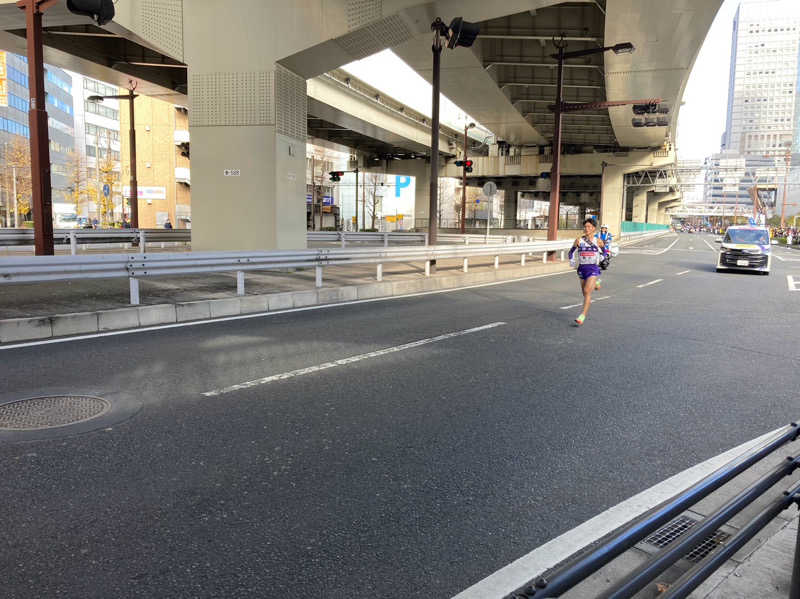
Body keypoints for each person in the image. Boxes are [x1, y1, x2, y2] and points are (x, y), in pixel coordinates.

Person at [568, 218, 605, 326]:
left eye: (589, 226)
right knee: (584, 293)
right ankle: (596, 284)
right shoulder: (579, 240)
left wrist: (602, 257)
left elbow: (605, 252)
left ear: (594, 228)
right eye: (585, 226)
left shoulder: (598, 241)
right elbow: (571, 252)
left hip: (593, 268)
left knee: (587, 291)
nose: (586, 228)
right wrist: (571, 260)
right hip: (582, 268)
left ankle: (582, 315)